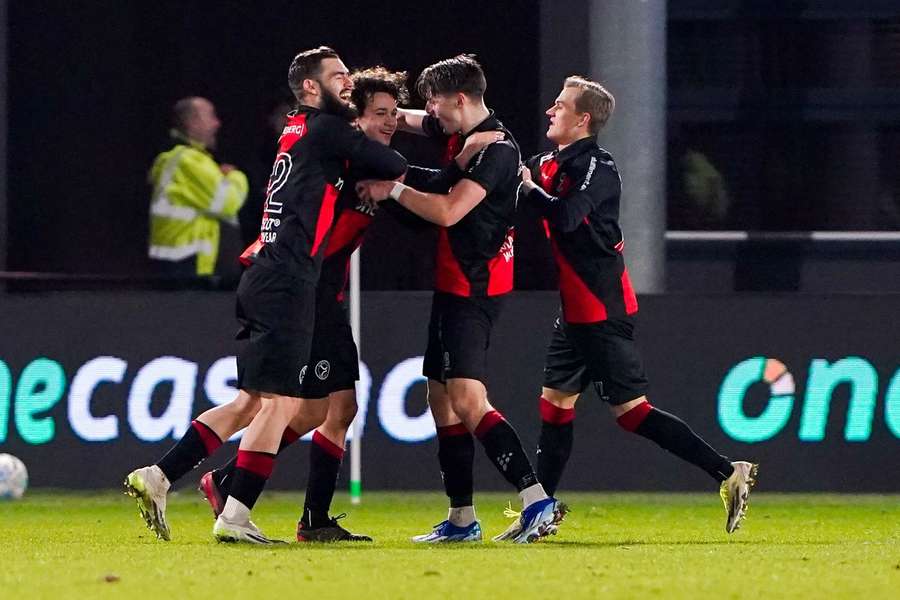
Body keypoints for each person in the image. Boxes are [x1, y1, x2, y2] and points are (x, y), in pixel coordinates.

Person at [196, 66, 491, 542]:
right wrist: (465, 163)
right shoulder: (348, 160)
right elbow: (414, 181)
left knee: (326, 409)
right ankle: (227, 492)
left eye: (396, 113)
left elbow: (416, 191)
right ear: (354, 119)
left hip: (319, 294)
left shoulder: (355, 158)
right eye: (381, 113)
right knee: (282, 405)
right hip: (304, 293)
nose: (392, 122)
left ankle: (273, 503)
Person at [125, 47, 407, 544]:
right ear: (311, 88)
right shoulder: (325, 128)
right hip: (289, 280)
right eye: (339, 77)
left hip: (265, 273)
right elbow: (393, 160)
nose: (347, 83)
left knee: (252, 402)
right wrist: (369, 143)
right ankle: (234, 516)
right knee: (278, 404)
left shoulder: (299, 127)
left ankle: (161, 476)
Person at [499, 76, 757, 539]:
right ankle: (540, 514)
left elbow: (566, 215)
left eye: (560, 105)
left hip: (601, 308)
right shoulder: (545, 163)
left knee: (632, 413)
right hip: (574, 313)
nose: (549, 111)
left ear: (583, 119)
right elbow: (504, 170)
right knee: (554, 405)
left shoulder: (600, 165)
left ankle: (727, 472)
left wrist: (529, 189)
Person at [357, 55, 563, 544]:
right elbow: (403, 119)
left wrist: (393, 189)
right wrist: (357, 116)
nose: (429, 110)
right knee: (440, 397)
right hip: (455, 282)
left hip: (475, 285)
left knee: (467, 398)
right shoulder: (460, 131)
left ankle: (536, 500)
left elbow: (449, 211)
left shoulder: (496, 151)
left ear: (462, 99)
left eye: (435, 100)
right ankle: (462, 519)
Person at [148, 97, 248, 276]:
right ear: (192, 123)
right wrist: (235, 176)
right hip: (187, 270)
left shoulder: (186, 160)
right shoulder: (187, 161)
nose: (217, 123)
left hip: (183, 268)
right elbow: (228, 202)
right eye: (210, 116)